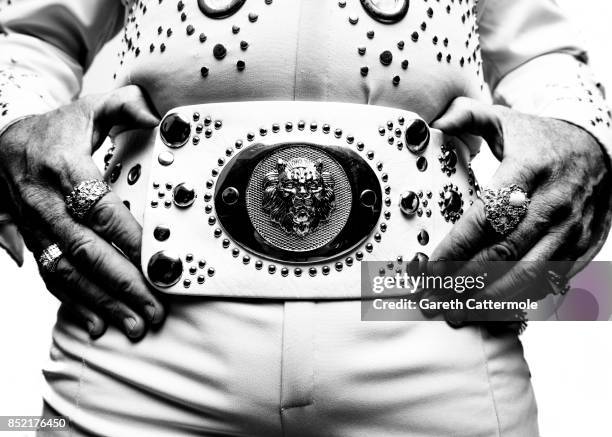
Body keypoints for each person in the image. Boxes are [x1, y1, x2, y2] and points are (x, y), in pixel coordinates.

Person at [0, 0, 610, 435]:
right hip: (141, 342)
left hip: (430, 321)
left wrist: (581, 133)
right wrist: (16, 126)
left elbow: (543, 56)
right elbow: (32, 40)